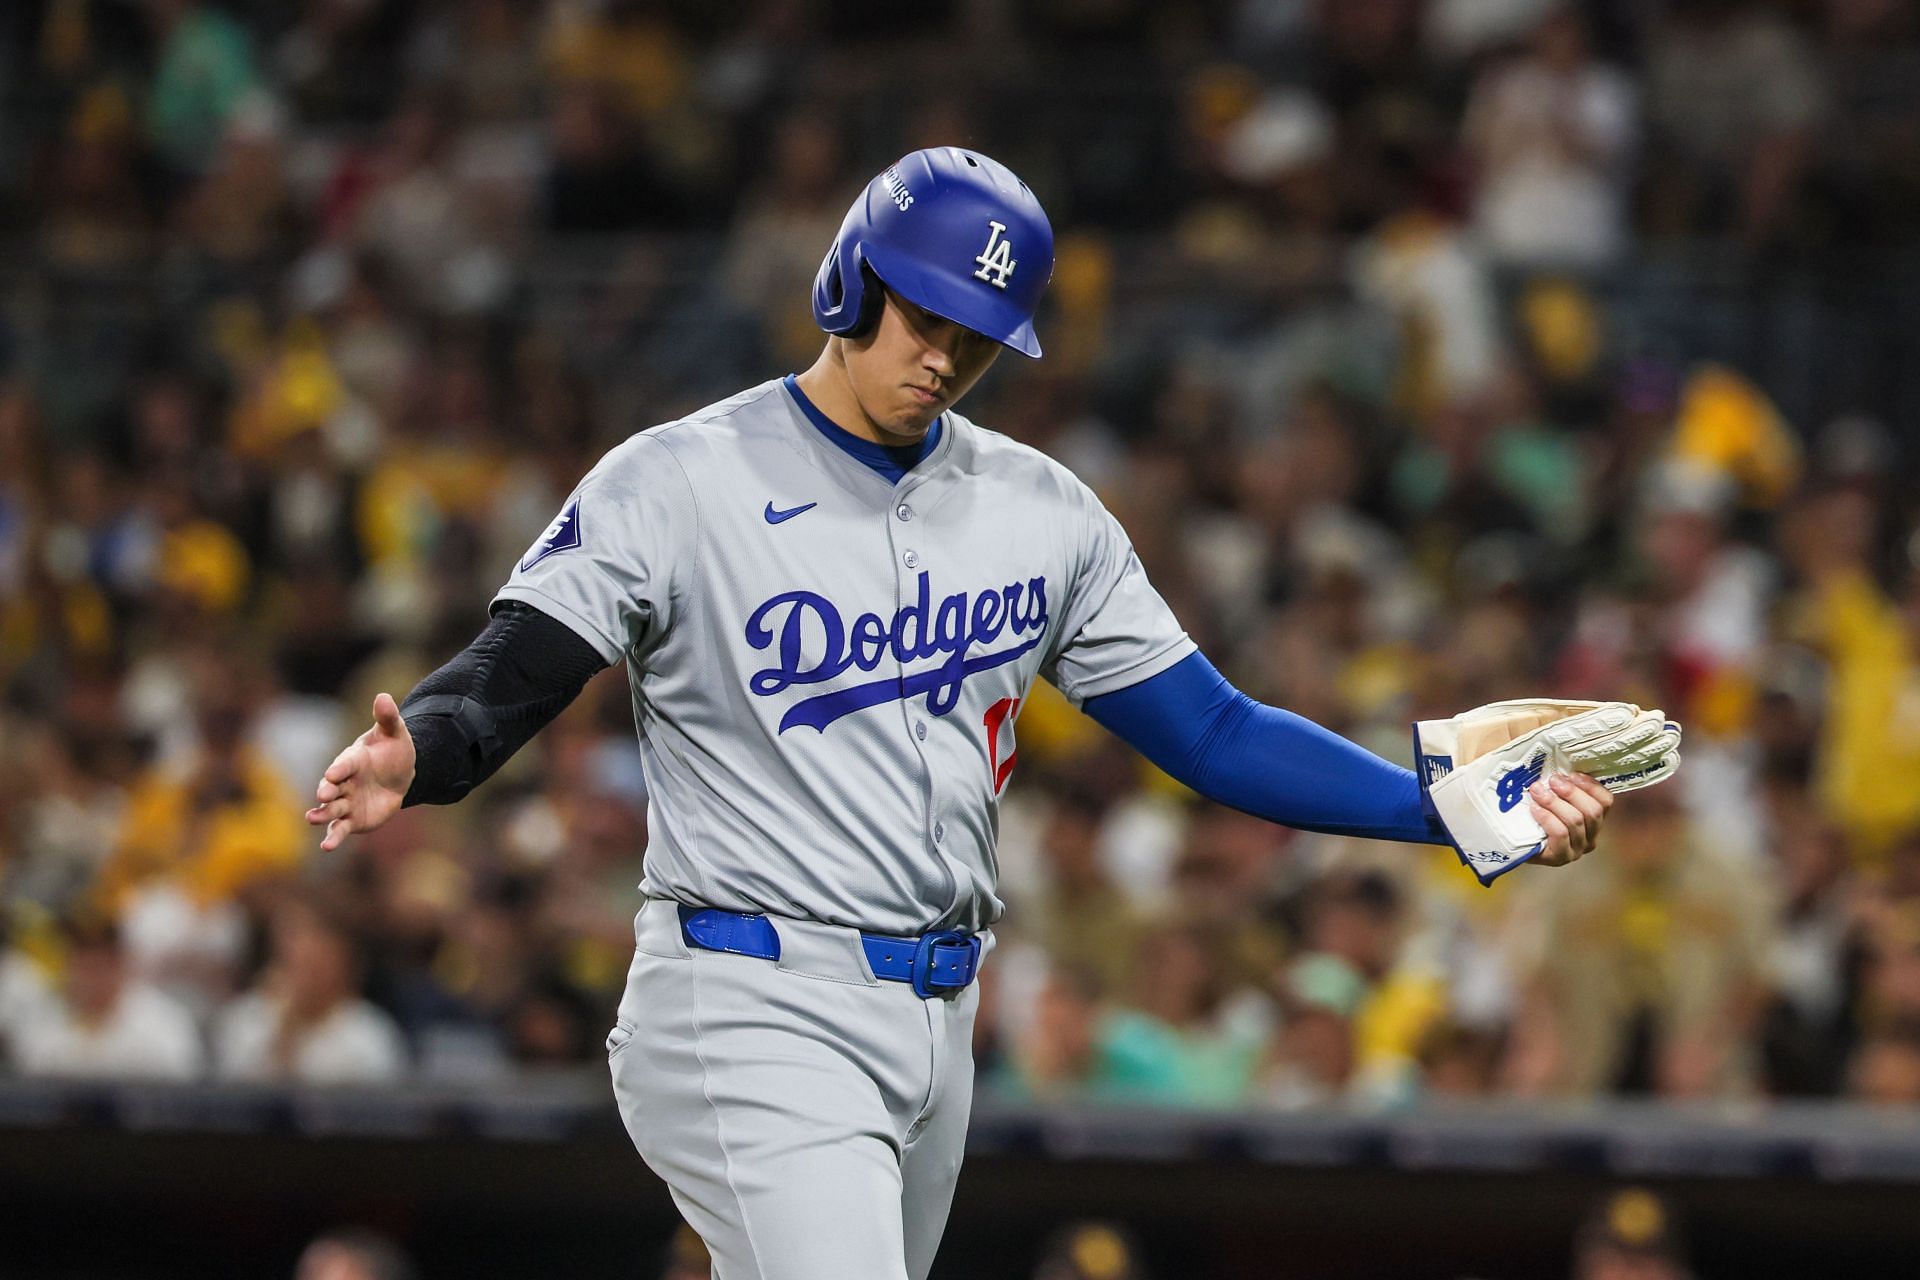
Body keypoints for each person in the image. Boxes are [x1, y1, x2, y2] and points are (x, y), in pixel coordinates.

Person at [305, 148, 1668, 1280]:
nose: (947, 356)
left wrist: (1434, 808)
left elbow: (1213, 730)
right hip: (747, 994)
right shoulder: (684, 478)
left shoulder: (1040, 513)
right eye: (926, 318)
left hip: (940, 1021)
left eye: (976, 337)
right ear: (852, 281)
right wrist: (425, 748)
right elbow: (526, 656)